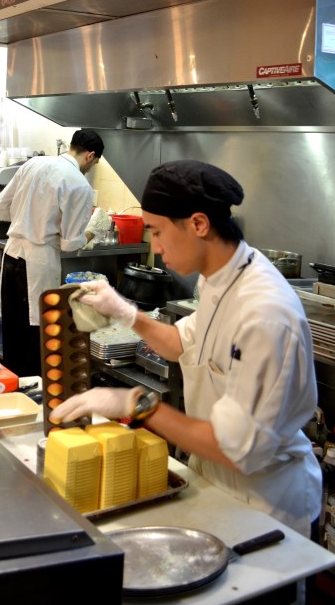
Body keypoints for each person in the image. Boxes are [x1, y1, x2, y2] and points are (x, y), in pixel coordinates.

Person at [50, 159, 322, 538]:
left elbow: (236, 450)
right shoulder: (219, 277)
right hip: (213, 480)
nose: (155, 247)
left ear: (198, 224)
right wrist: (126, 314)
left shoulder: (265, 315)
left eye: (157, 232)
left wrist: (136, 405)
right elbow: (182, 345)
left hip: (265, 504)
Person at [0, 128, 104, 377]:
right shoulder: (79, 184)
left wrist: (27, 221)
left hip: (11, 255)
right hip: (38, 264)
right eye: (94, 163)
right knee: (35, 333)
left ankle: (12, 395)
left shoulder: (34, 163)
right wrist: (94, 230)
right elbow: (70, 243)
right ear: (90, 156)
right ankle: (31, 398)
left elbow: (1, 207)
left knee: (12, 329)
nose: (91, 167)